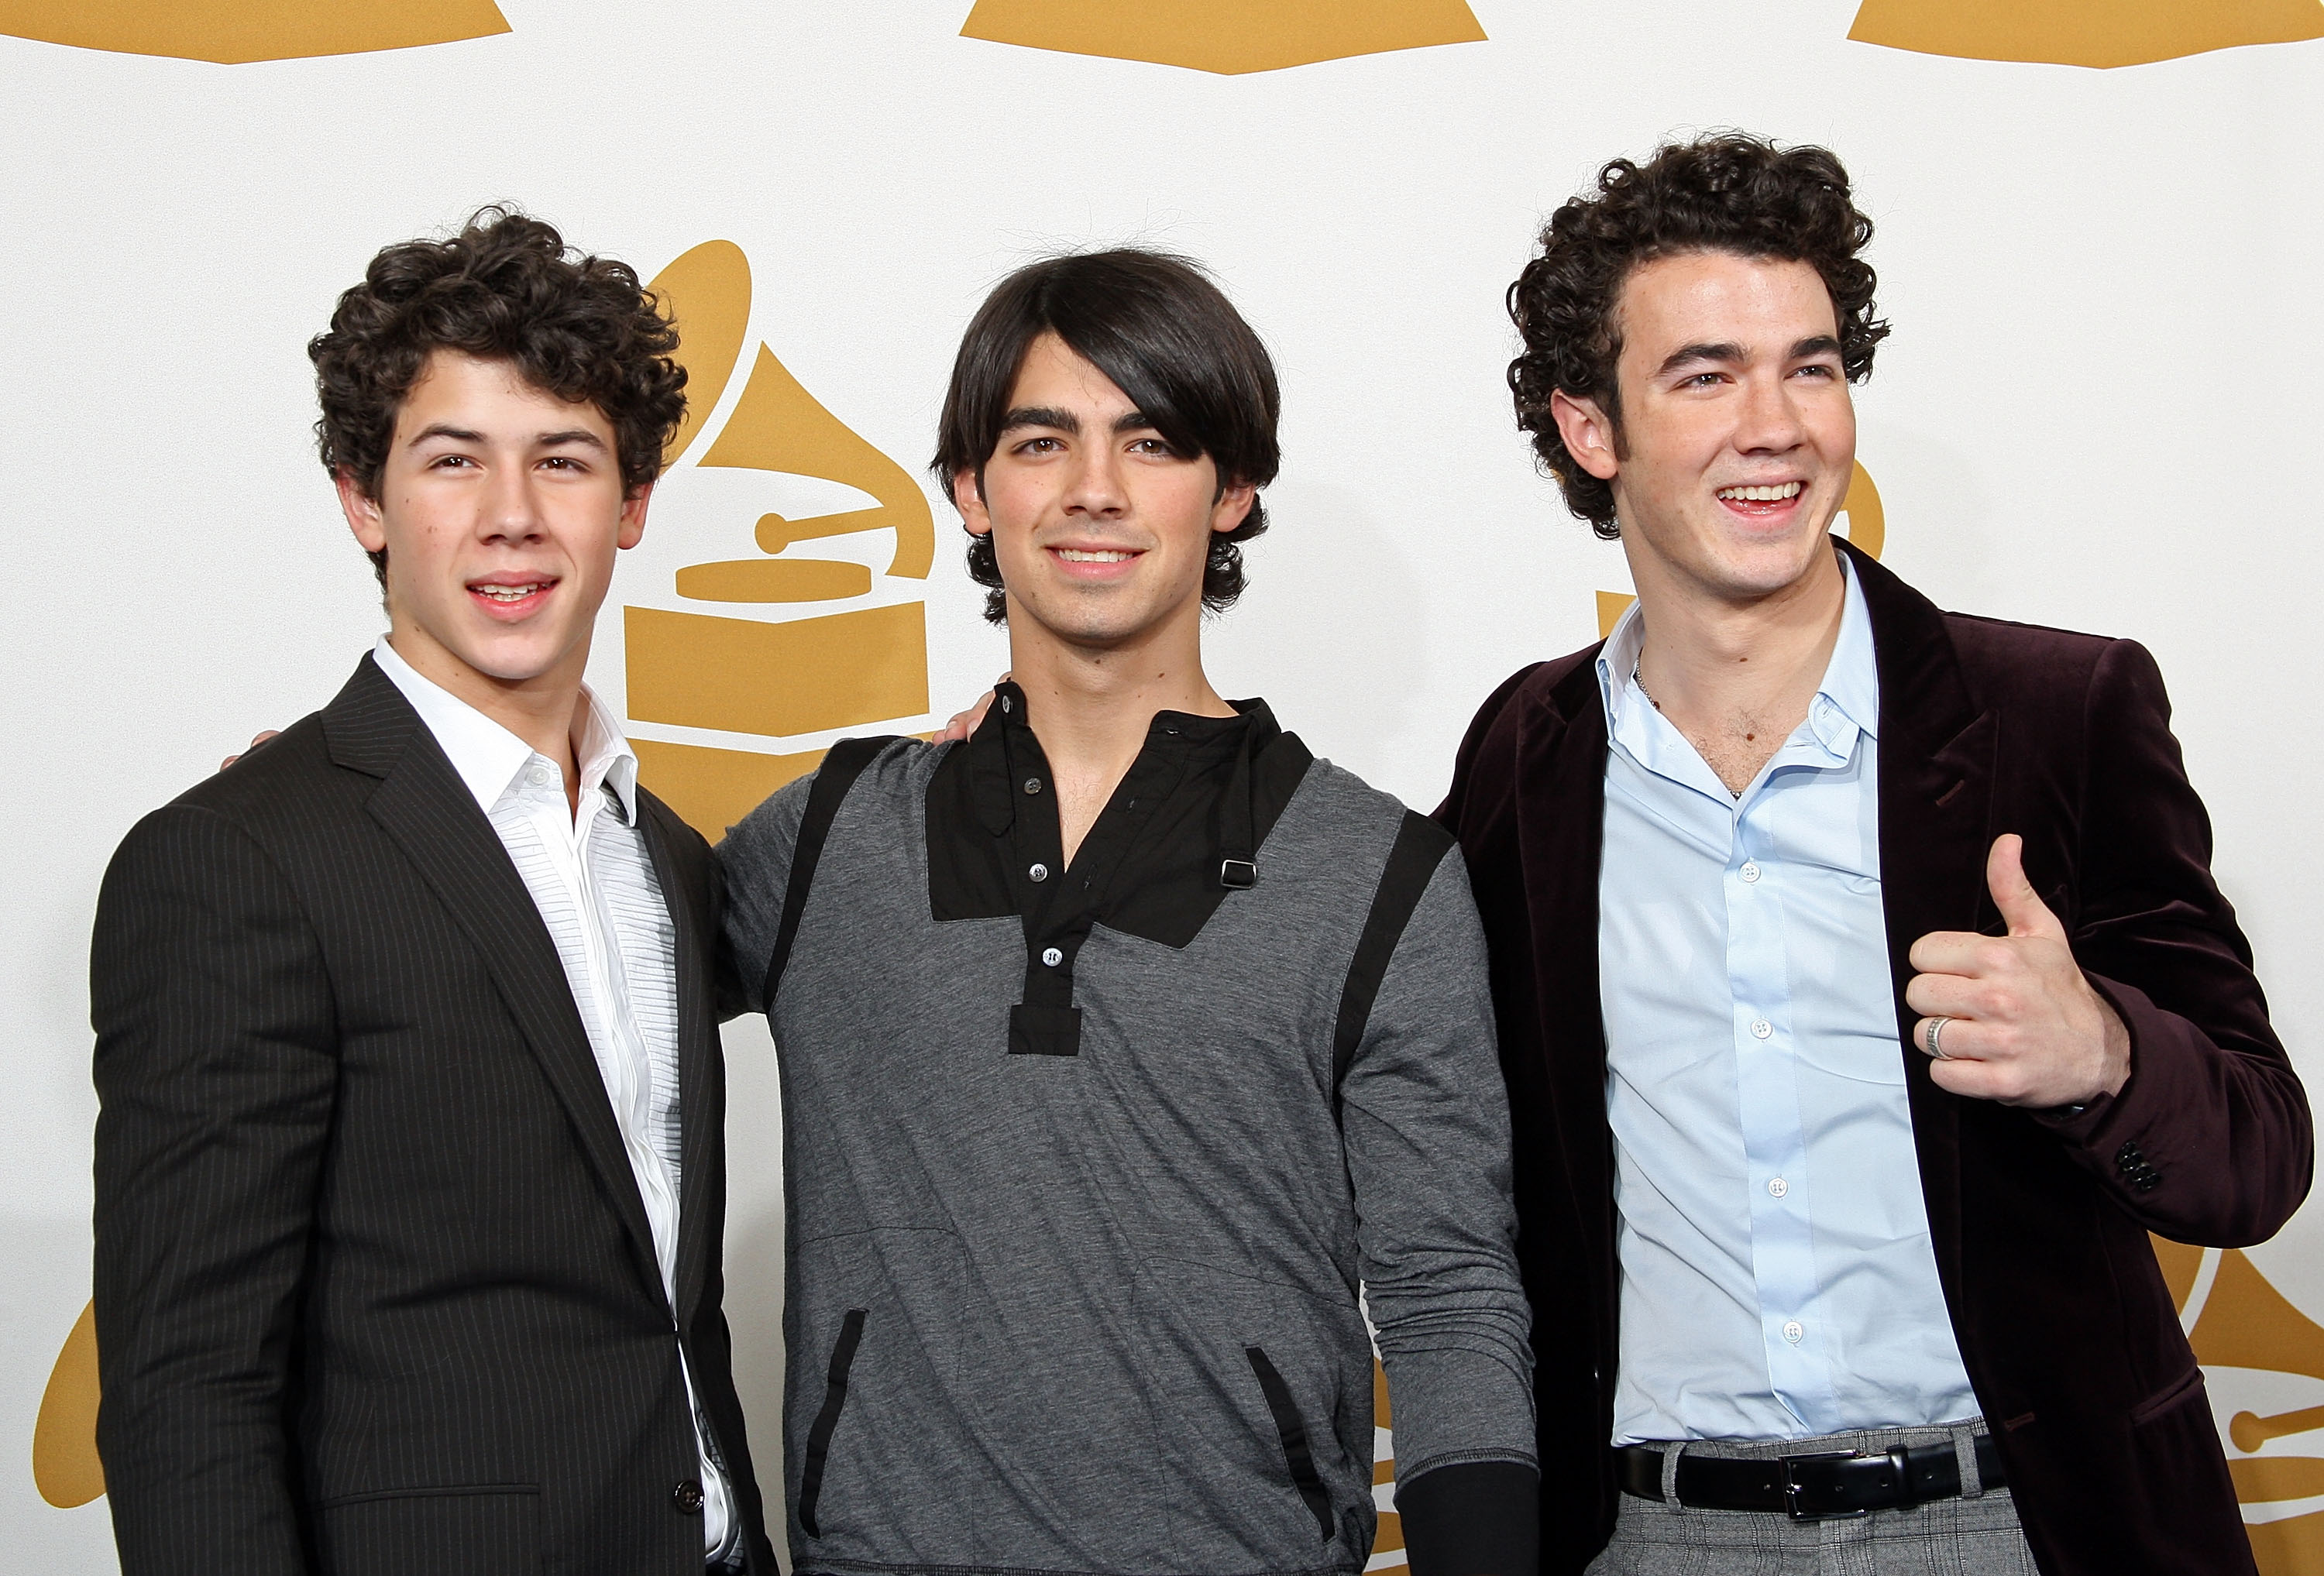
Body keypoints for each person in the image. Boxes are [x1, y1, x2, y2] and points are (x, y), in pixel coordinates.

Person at [1434, 133, 2314, 1575]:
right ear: (1589, 429)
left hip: (2021, 1523)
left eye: (1814, 365)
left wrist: (2105, 1056)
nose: (1775, 425)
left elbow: (2261, 1160)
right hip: (1656, 1535)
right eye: (1705, 374)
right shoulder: (1521, 757)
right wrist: (1032, 750)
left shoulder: (2061, 713)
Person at [716, 249, 1538, 1576]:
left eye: (1151, 441)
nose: (1095, 489)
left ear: (1232, 490)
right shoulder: (828, 836)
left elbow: (1448, 1295)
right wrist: (375, 817)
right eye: (1043, 440)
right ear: (972, 493)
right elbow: (557, 977)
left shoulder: (1383, 873)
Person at [90, 209, 777, 1576]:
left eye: (564, 462)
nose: (511, 516)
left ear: (632, 505)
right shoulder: (239, 859)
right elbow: (187, 1389)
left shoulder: (664, 854)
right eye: (452, 461)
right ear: (363, 498)